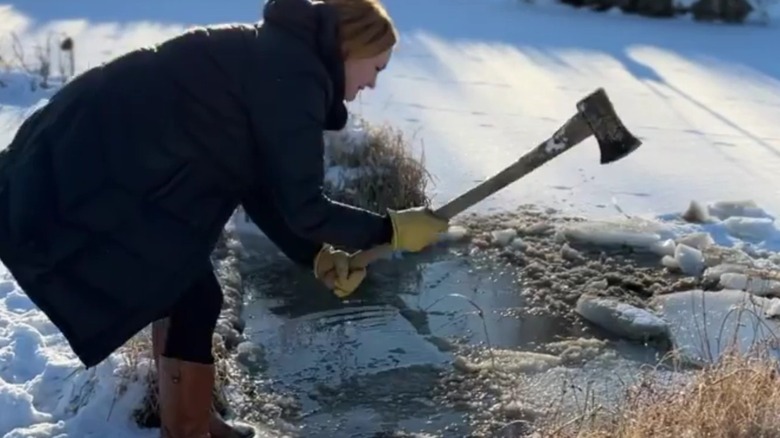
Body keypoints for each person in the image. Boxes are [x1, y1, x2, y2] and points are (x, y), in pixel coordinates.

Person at [0, 0, 449, 436]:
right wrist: (391, 229)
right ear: (351, 49)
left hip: (99, 156)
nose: (372, 84)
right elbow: (304, 206)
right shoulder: (295, 77)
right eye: (376, 68)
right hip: (95, 171)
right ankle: (188, 429)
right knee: (190, 294)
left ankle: (192, 424)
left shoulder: (283, 56)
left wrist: (314, 254)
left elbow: (257, 185)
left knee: (186, 289)